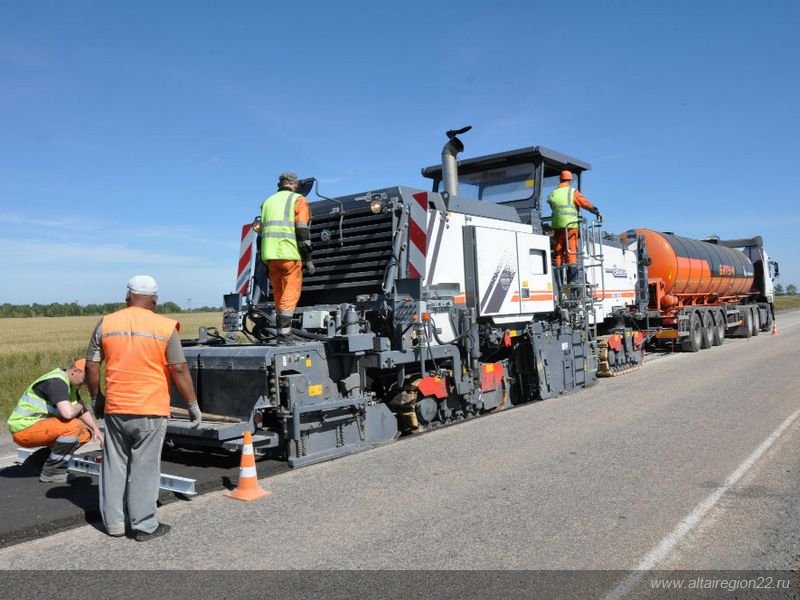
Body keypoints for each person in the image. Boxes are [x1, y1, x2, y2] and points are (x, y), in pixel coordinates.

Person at [85, 275, 202, 541]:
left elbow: (91, 365)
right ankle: (144, 525)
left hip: (116, 407)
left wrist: (96, 399)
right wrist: (192, 404)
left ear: (127, 296)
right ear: (155, 299)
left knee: (114, 465)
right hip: (150, 408)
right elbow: (179, 367)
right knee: (144, 467)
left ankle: (114, 525)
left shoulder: (106, 323)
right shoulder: (165, 326)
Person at [8, 358, 103, 483]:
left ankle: (37, 462)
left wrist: (97, 431)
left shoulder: (70, 385)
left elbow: (82, 411)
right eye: (84, 379)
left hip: (38, 427)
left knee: (85, 434)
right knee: (74, 426)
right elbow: (68, 413)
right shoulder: (57, 382)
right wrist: (80, 405)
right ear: (75, 371)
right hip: (23, 429)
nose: (84, 384)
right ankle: (52, 472)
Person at [259, 171, 313, 343]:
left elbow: (261, 233)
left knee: (279, 293)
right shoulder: (298, 200)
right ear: (295, 184)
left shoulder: (267, 202)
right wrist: (308, 259)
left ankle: (281, 331)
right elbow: (302, 230)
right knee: (290, 292)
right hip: (289, 253)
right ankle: (284, 334)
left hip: (270, 256)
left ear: (279, 185)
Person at [547, 170, 602, 276]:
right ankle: (572, 279)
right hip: (571, 225)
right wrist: (596, 212)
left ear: (560, 179)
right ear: (570, 180)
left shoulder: (553, 193)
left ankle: (557, 277)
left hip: (557, 226)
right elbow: (585, 204)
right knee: (571, 250)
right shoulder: (572, 192)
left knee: (558, 250)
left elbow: (550, 202)